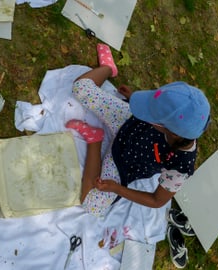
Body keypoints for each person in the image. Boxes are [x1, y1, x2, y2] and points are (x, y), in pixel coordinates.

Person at [66, 44, 210, 217]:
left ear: (172, 132)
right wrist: (133, 98)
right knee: (80, 88)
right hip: (126, 120)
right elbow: (157, 104)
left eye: (149, 114)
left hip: (123, 163)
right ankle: (108, 68)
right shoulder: (178, 119)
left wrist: (116, 188)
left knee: (92, 206)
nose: (146, 114)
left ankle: (94, 140)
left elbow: (157, 201)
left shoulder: (180, 167)